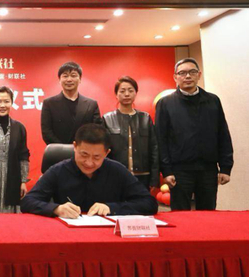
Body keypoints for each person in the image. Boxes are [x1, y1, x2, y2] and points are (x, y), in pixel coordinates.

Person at [21, 123, 157, 218]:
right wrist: (56, 209)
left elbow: (149, 203)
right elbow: (27, 202)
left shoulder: (117, 171)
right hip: (68, 235)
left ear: (106, 153)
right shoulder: (58, 171)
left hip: (108, 236)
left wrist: (112, 208)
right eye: (84, 155)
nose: (89, 163)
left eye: (97, 157)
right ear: (75, 146)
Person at [155, 58, 233, 211]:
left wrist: (225, 167)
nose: (187, 76)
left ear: (199, 75)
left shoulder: (213, 101)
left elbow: (223, 134)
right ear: (175, 77)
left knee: (208, 214)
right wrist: (166, 171)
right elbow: (161, 139)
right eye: (182, 73)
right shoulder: (165, 103)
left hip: (208, 169)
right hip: (179, 171)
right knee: (180, 215)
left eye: (192, 72)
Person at [103, 76, 159, 191]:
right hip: (116, 176)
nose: (127, 94)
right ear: (116, 94)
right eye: (122, 91)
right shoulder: (107, 119)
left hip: (143, 176)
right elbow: (103, 151)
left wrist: (154, 178)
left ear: (136, 93)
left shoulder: (145, 118)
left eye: (130, 90)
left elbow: (154, 148)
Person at [41, 61, 102, 145]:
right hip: (58, 151)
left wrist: (82, 147)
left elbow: (97, 131)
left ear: (80, 79)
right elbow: (47, 132)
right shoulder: (49, 103)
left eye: (73, 75)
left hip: (85, 150)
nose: (69, 79)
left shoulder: (91, 104)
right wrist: (63, 149)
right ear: (59, 80)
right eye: (65, 76)